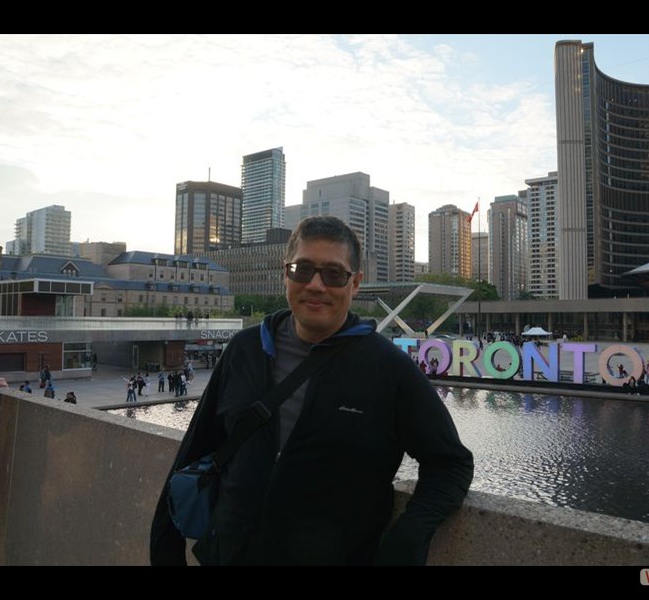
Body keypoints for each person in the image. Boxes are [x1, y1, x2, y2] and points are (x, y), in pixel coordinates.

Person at [150, 216, 473, 566]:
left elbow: (450, 464)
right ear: (285, 274)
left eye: (334, 274)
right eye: (303, 269)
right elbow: (195, 449)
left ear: (356, 284)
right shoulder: (244, 350)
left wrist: (408, 537)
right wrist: (165, 548)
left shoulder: (388, 368)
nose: (316, 285)